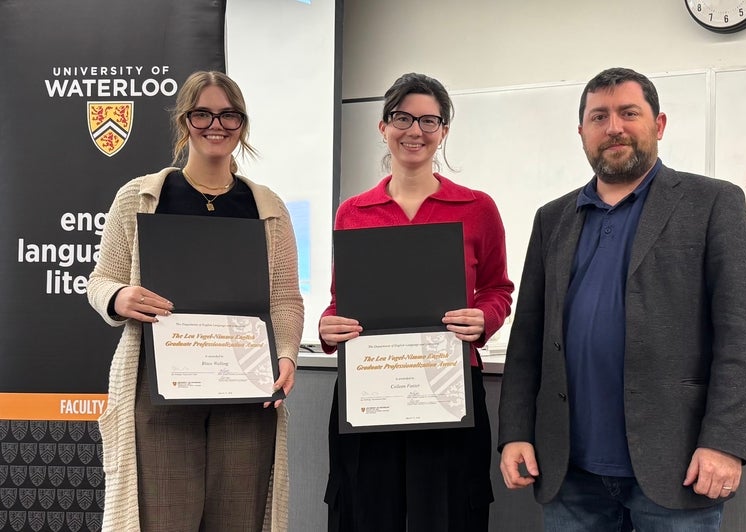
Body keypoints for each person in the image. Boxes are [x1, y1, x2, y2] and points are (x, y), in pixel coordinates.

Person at [497, 66, 746, 531]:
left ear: (658, 125)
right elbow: (528, 341)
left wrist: (725, 441)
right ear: (582, 132)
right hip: (569, 471)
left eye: (628, 113)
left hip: (676, 463)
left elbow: (741, 337)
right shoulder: (552, 218)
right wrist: (516, 433)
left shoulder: (713, 203)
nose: (614, 127)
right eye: (598, 116)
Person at [87, 71, 304, 532]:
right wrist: (119, 295)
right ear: (184, 121)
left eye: (229, 114)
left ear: (242, 124)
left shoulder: (266, 206)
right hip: (161, 394)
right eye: (202, 113)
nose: (216, 124)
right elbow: (101, 279)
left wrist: (286, 354)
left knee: (239, 522)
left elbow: (285, 298)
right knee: (162, 522)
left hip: (246, 396)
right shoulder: (142, 197)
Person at [319, 72, 514, 532]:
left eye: (430, 121)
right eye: (403, 118)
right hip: (370, 392)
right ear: (383, 126)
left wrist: (482, 319)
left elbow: (498, 290)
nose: (416, 131)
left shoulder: (476, 207)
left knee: (448, 515)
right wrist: (329, 327)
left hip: (448, 393)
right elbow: (339, 302)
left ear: (444, 131)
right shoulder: (353, 212)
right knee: (365, 513)